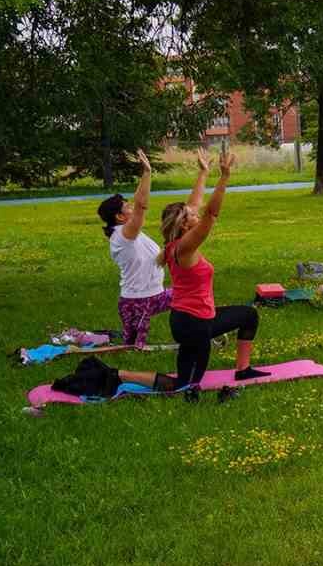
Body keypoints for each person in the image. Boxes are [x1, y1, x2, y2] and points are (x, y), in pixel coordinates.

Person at [155, 149, 267, 400]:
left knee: (248, 315)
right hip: (195, 323)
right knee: (194, 377)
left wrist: (204, 172)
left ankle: (240, 371)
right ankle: (191, 392)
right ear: (184, 225)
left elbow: (194, 205)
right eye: (191, 216)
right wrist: (224, 177)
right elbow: (211, 214)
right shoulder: (185, 247)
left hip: (188, 320)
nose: (196, 213)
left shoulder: (176, 243)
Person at [98, 148, 206, 347]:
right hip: (136, 302)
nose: (132, 207)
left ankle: (203, 329)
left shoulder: (133, 235)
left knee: (190, 294)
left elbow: (192, 208)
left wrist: (203, 173)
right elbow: (141, 207)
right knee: (132, 348)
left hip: (155, 296)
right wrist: (147, 173)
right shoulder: (122, 236)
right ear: (120, 217)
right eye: (126, 206)